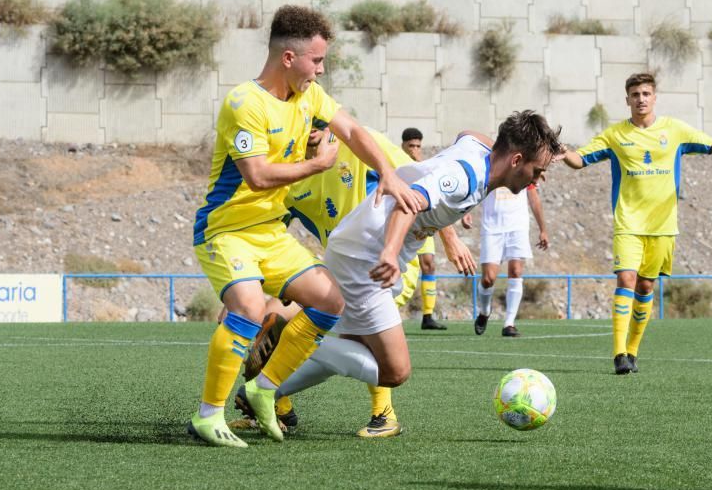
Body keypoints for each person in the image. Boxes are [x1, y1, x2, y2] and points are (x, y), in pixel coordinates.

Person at [241, 111, 562, 438]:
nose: (536, 180)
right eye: (536, 171)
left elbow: (468, 130)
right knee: (394, 372)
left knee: (351, 347)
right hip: (365, 260)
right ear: (516, 159)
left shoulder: (480, 150)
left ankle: (265, 390)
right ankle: (284, 340)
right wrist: (390, 254)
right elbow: (409, 204)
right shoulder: (464, 178)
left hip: (356, 247)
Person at [187, 5, 420, 448]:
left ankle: (264, 390)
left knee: (330, 299)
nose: (321, 69)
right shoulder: (244, 102)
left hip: (270, 233)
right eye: (316, 60)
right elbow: (256, 174)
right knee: (250, 308)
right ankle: (207, 416)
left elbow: (352, 130)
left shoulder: (309, 97)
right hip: (226, 230)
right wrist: (316, 166)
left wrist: (388, 173)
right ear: (289, 58)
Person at [232, 120, 474, 438]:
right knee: (268, 319)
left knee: (338, 336)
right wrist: (245, 281)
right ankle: (278, 408)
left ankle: (381, 414)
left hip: (388, 264)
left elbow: (422, 183)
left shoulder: (359, 143)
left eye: (318, 117)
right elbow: (268, 231)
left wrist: (450, 237)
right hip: (342, 267)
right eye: (304, 118)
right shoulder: (288, 177)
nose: (313, 125)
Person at [562, 72, 712, 375]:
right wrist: (564, 154)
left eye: (646, 94)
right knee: (626, 279)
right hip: (628, 223)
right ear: (627, 99)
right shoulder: (615, 136)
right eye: (635, 94)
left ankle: (634, 351)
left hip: (664, 226)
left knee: (645, 285)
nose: (641, 99)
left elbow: (710, 146)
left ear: (654, 97)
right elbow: (580, 160)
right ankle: (618, 354)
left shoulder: (675, 130)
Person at [463, 181, 549, 337]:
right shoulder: (490, 159)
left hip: (518, 226)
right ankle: (485, 311)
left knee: (516, 271)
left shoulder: (523, 161)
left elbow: (533, 196)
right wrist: (466, 211)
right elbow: (477, 187)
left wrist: (543, 229)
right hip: (492, 227)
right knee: (488, 279)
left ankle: (509, 323)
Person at [400, 127, 446, 330]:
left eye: (418, 146)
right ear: (403, 145)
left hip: (421, 220)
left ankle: (428, 315)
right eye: (411, 145)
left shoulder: (422, 164)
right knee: (400, 266)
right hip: (401, 221)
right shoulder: (397, 161)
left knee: (429, 264)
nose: (415, 149)